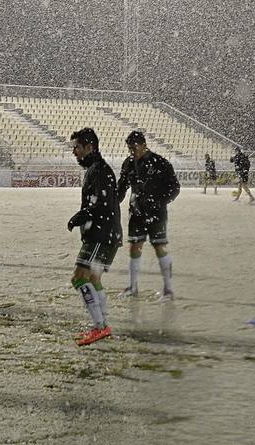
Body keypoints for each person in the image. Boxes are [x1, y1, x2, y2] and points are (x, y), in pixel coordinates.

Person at [67, 128, 121, 345]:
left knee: (79, 277)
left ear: (90, 147)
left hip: (101, 234)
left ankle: (99, 326)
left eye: (77, 148)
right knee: (93, 279)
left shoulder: (99, 171)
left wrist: (79, 217)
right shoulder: (97, 169)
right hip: (104, 233)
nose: (74, 152)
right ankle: (102, 325)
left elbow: (103, 205)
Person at [117, 130, 180, 301]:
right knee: (134, 246)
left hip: (156, 213)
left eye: (135, 147)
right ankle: (133, 287)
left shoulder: (160, 162)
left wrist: (160, 202)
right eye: (129, 148)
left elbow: (174, 187)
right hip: (136, 211)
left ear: (144, 145)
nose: (132, 151)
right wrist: (113, 203)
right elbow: (121, 187)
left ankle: (168, 290)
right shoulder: (128, 163)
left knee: (159, 247)